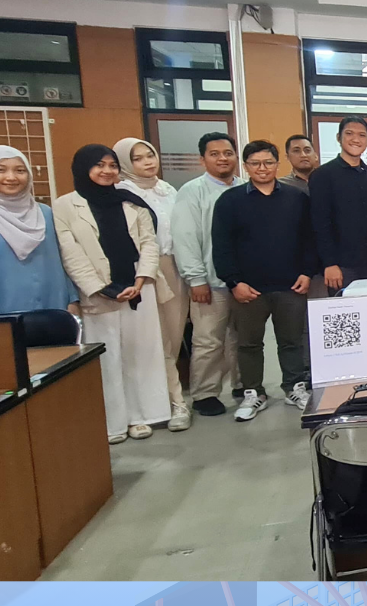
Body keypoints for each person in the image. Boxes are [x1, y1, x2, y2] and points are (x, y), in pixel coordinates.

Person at [54, 144, 171, 444]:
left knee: (141, 353)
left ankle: (142, 416)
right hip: (98, 292)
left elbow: (149, 242)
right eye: (99, 165)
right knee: (108, 358)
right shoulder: (65, 206)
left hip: (138, 286)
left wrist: (141, 279)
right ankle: (113, 422)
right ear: (83, 168)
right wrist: (101, 288)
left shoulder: (131, 201)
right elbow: (70, 252)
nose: (107, 171)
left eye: (112, 165)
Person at [212, 140, 320, 421]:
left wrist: (307, 272)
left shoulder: (296, 198)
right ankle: (253, 393)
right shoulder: (230, 201)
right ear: (245, 166)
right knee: (249, 344)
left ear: (277, 164)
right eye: (255, 163)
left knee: (292, 341)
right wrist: (234, 282)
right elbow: (221, 246)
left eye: (268, 162)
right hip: (248, 288)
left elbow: (310, 240)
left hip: (291, 285)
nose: (262, 168)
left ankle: (294, 388)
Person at [114, 137, 190, 431]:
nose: (148, 162)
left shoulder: (168, 189)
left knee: (172, 337)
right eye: (137, 158)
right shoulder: (121, 194)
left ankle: (172, 399)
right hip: (142, 271)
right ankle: (168, 403)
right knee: (150, 341)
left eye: (150, 155)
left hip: (174, 266)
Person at [0, 145, 78, 317]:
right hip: (0, 317)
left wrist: (72, 299)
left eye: (20, 170)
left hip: (55, 311)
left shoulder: (45, 213)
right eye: (0, 170)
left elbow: (64, 259)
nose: (11, 177)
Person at [172, 133, 245, 417]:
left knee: (242, 339)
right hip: (210, 280)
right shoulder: (192, 192)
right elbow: (185, 238)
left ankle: (243, 385)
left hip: (244, 281)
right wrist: (196, 279)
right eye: (215, 154)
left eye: (228, 153)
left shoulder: (246, 187)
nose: (222, 158)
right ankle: (204, 393)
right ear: (203, 159)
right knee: (208, 340)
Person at [309, 115, 367, 293]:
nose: (356, 139)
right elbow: (320, 223)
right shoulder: (323, 175)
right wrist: (329, 263)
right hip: (341, 266)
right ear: (339, 137)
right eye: (349, 133)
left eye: (361, 135)